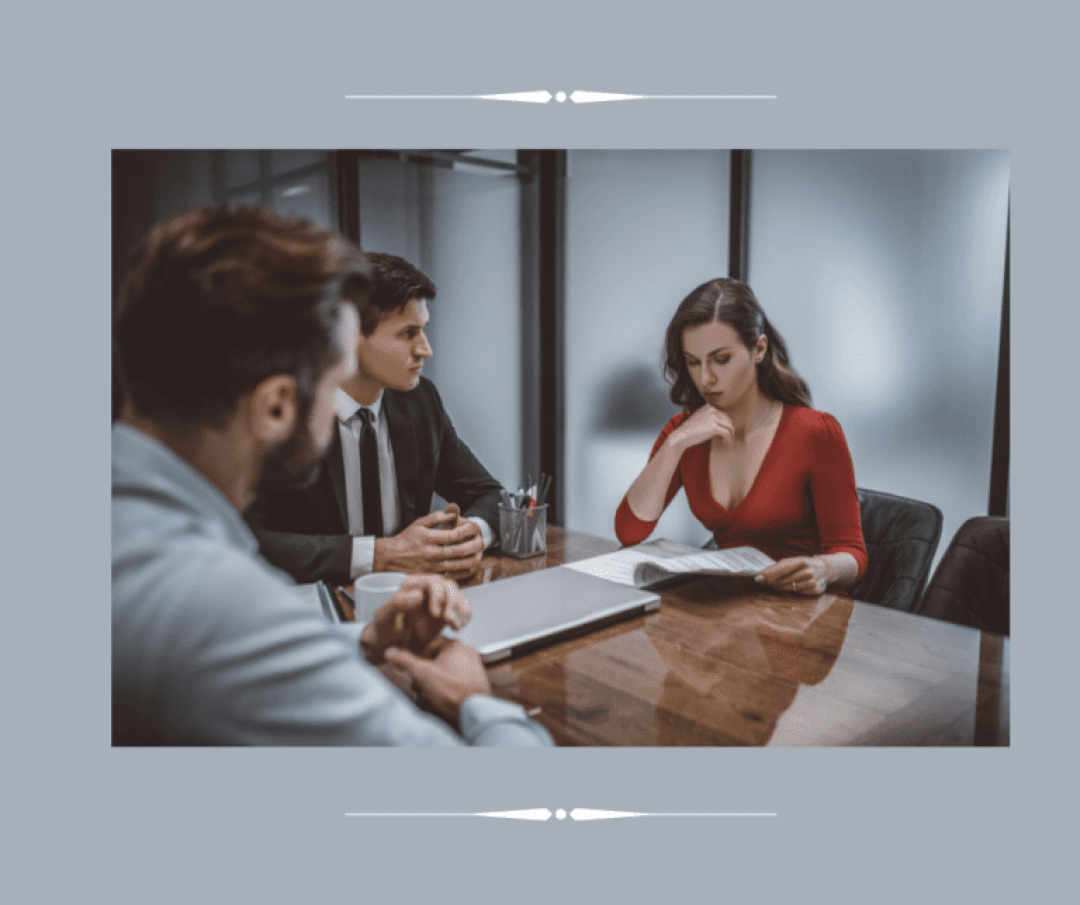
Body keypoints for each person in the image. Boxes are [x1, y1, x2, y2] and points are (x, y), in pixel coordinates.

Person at [112, 206, 551, 746]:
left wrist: (365, 640)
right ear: (276, 406)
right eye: (334, 376)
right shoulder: (210, 598)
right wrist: (476, 702)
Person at [246, 252, 503, 586]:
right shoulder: (288, 412)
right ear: (352, 336)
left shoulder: (421, 401)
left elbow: (490, 494)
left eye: (422, 330)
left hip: (414, 598)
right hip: (317, 608)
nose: (425, 349)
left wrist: (473, 536)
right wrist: (379, 554)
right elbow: (247, 540)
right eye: (408, 333)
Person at [615, 278, 867, 595]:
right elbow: (629, 531)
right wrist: (675, 444)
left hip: (805, 615)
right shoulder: (685, 433)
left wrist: (823, 568)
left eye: (721, 360)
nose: (705, 378)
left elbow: (853, 553)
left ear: (759, 349)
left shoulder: (815, 432)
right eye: (693, 362)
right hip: (733, 610)